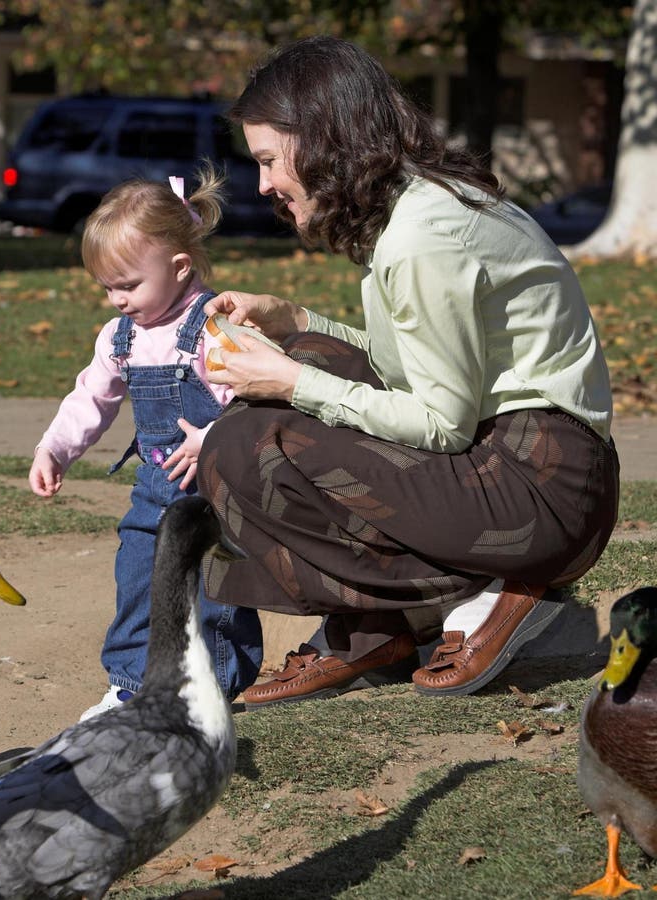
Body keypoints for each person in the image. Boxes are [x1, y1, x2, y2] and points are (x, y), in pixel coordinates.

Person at [197, 35, 619, 709]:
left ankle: (474, 595)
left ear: (322, 138)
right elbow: (422, 365)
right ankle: (379, 630)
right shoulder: (425, 208)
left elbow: (439, 423)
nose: (264, 185)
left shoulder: (423, 235)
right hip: (529, 470)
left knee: (242, 444)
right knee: (303, 365)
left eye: (269, 160)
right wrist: (296, 324)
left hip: (538, 494)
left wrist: (289, 382)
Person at [30, 166, 265, 720]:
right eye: (106, 287)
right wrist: (54, 448)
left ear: (180, 267)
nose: (116, 299)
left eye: (128, 285)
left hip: (217, 489)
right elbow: (92, 397)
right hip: (154, 488)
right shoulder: (122, 338)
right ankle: (132, 683)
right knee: (137, 578)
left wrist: (212, 437)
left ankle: (217, 682)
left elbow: (255, 402)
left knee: (214, 586)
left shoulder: (213, 331)